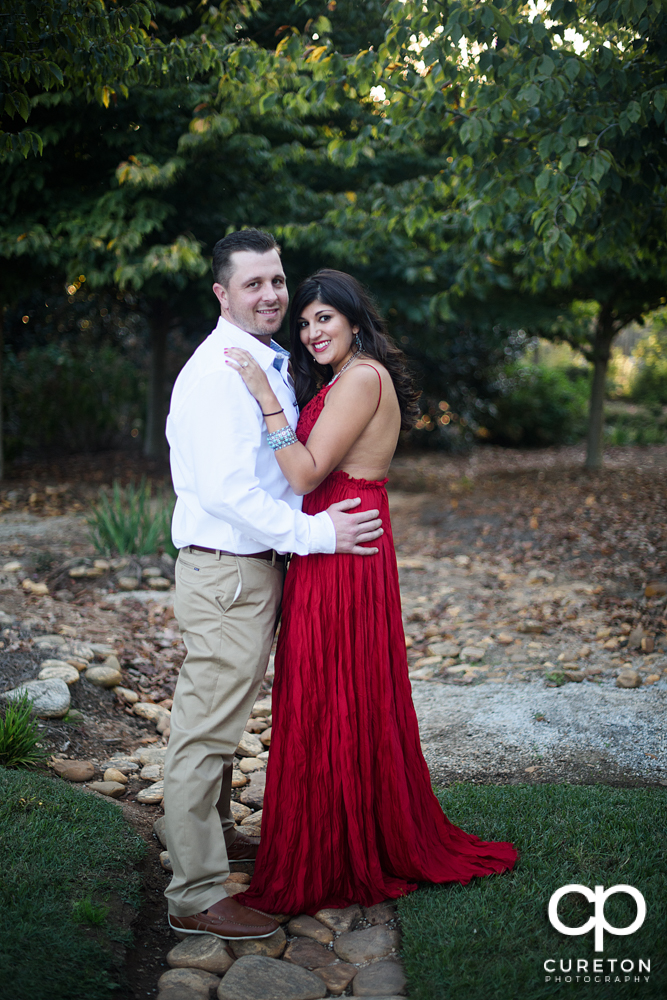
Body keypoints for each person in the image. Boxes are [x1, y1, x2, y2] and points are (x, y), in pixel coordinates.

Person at [224, 269, 517, 916]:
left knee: (331, 693)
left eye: (323, 318)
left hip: (343, 552)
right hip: (336, 541)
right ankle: (339, 836)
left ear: (355, 320)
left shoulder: (360, 378)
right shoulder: (345, 379)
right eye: (303, 323)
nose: (310, 331)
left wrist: (263, 398)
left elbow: (302, 474)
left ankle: (334, 851)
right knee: (335, 695)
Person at [163, 233, 384, 941]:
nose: (271, 295)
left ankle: (214, 843)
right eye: (252, 283)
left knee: (223, 721)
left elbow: (276, 464)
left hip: (250, 568)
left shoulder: (264, 362)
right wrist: (318, 536)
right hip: (227, 566)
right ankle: (195, 893)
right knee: (205, 730)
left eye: (276, 281)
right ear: (222, 295)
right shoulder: (220, 372)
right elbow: (231, 491)